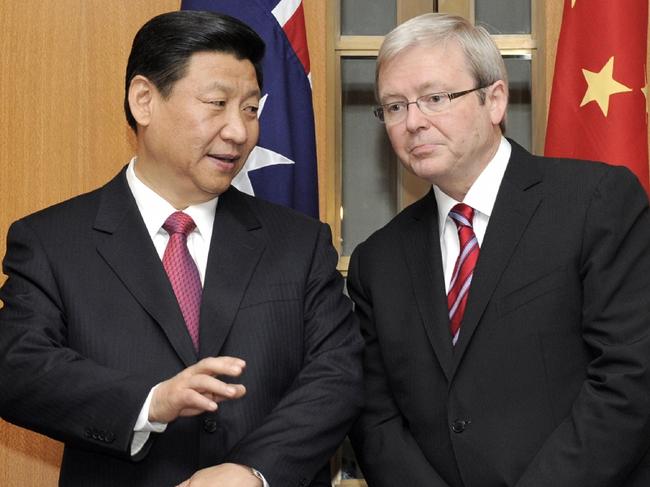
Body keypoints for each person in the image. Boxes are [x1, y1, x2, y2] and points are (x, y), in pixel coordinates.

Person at [0, 10, 363, 487]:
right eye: (217, 103)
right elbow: (17, 367)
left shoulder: (298, 242)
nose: (239, 131)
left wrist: (252, 471)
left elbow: (337, 374)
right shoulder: (52, 241)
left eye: (251, 109)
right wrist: (150, 402)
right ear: (144, 100)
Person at [348, 12, 650, 487]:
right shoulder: (377, 261)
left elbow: (631, 376)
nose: (413, 122)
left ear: (494, 100)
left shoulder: (595, 202)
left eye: (434, 98)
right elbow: (375, 419)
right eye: (394, 106)